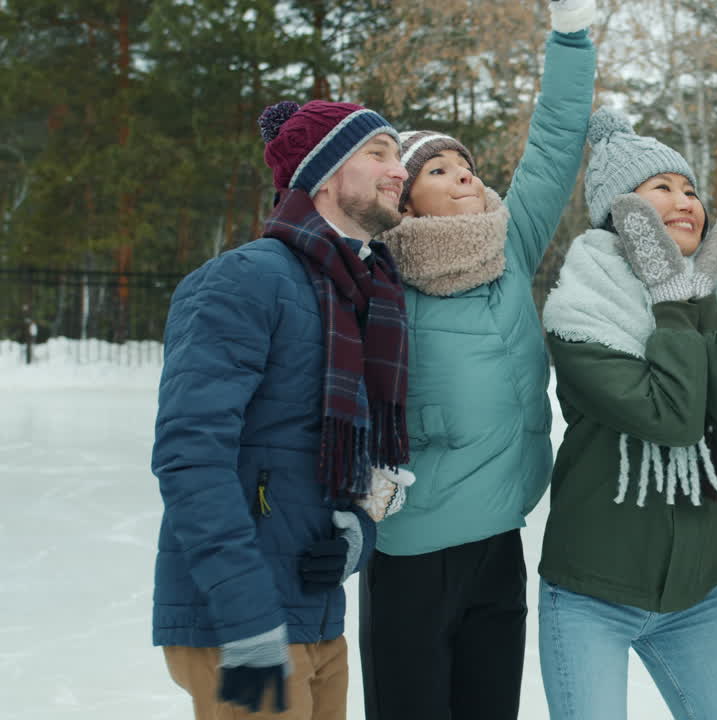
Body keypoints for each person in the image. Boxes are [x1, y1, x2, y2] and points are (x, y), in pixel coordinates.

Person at [356, 2, 597, 717]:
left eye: (464, 163)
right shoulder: (378, 273)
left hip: (501, 536)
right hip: (413, 546)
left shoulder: (507, 248)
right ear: (405, 195)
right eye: (437, 168)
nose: (462, 174)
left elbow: (554, 142)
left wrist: (571, 36)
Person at [152, 99, 411, 718]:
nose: (398, 170)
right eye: (377, 153)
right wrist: (247, 620)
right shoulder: (244, 280)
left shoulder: (368, 298)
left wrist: (358, 538)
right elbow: (190, 457)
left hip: (318, 621)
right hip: (242, 629)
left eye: (398, 155)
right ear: (321, 176)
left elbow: (364, 459)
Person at [536, 107, 717, 719]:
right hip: (591, 595)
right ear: (621, 212)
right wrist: (678, 303)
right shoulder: (582, 314)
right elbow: (669, 418)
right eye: (661, 188)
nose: (686, 200)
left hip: (695, 597)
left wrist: (702, 300)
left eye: (690, 188)